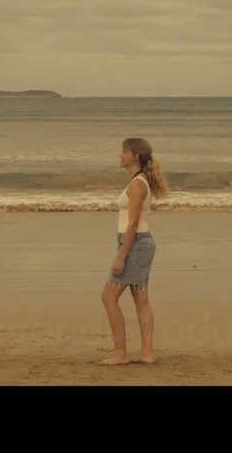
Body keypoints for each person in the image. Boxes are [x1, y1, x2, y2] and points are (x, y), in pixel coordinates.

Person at [98, 137, 170, 366]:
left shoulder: (138, 183)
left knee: (108, 297)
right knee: (141, 299)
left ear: (135, 156)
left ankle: (120, 353)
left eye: (124, 151)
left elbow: (132, 223)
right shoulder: (139, 180)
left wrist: (121, 255)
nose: (120, 155)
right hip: (137, 243)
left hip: (135, 244)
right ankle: (146, 354)